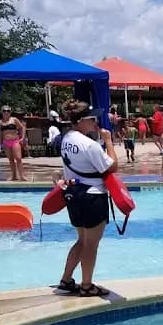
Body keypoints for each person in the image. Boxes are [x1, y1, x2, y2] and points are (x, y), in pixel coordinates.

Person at [54, 99, 117, 297]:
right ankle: (87, 285)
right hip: (92, 196)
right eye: (92, 118)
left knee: (81, 241)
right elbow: (112, 166)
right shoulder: (90, 145)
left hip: (74, 195)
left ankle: (66, 280)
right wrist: (108, 141)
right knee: (91, 244)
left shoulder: (66, 139)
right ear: (81, 121)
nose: (96, 122)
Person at [0, 105, 28, 182]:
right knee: (11, 159)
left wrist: (22, 137)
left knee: (18, 158)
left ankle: (22, 176)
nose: (6, 112)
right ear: (2, 112)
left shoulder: (14, 120)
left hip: (15, 141)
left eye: (8, 111)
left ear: (10, 112)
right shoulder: (1, 122)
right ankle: (14, 175)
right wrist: (0, 143)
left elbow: (22, 127)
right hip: (6, 142)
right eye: (4, 111)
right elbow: (0, 133)